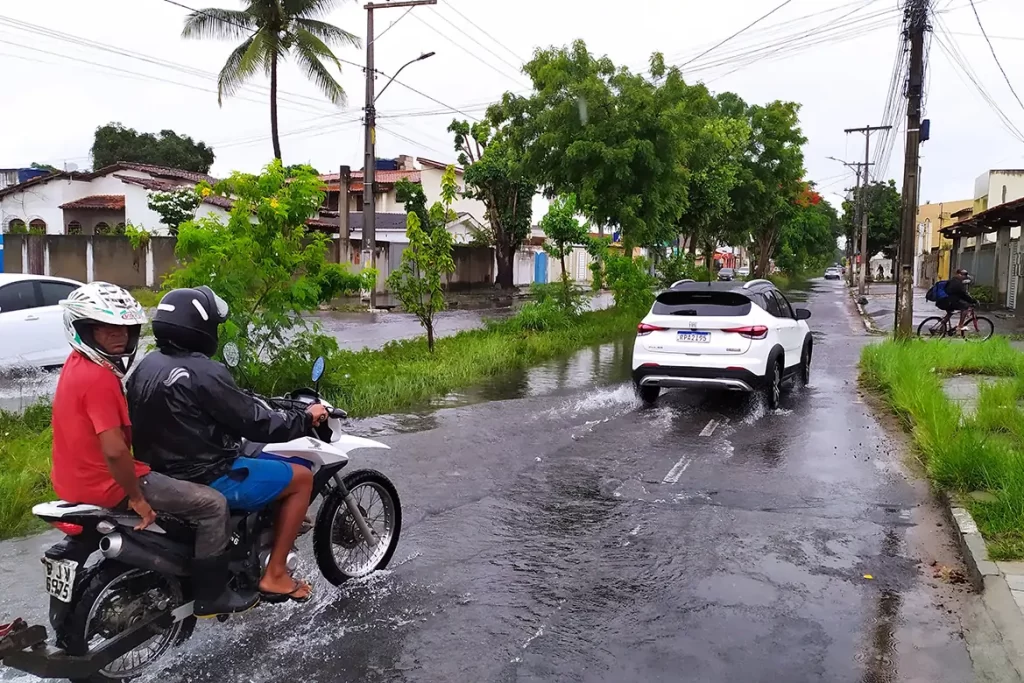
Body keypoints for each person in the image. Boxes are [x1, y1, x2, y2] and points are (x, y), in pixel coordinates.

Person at [50, 282, 256, 617]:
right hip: (108, 483)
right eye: (105, 329)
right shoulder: (100, 379)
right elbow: (116, 452)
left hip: (71, 482)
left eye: (125, 329)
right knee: (212, 505)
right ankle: (211, 595)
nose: (117, 337)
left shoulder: (75, 365)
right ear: (84, 330)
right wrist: (137, 497)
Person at [126, 286, 328, 603]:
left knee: (260, 459)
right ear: (200, 326)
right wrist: (304, 419)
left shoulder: (147, 366)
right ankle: (275, 574)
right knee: (301, 478)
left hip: (161, 473)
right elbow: (257, 423)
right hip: (207, 475)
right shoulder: (204, 370)